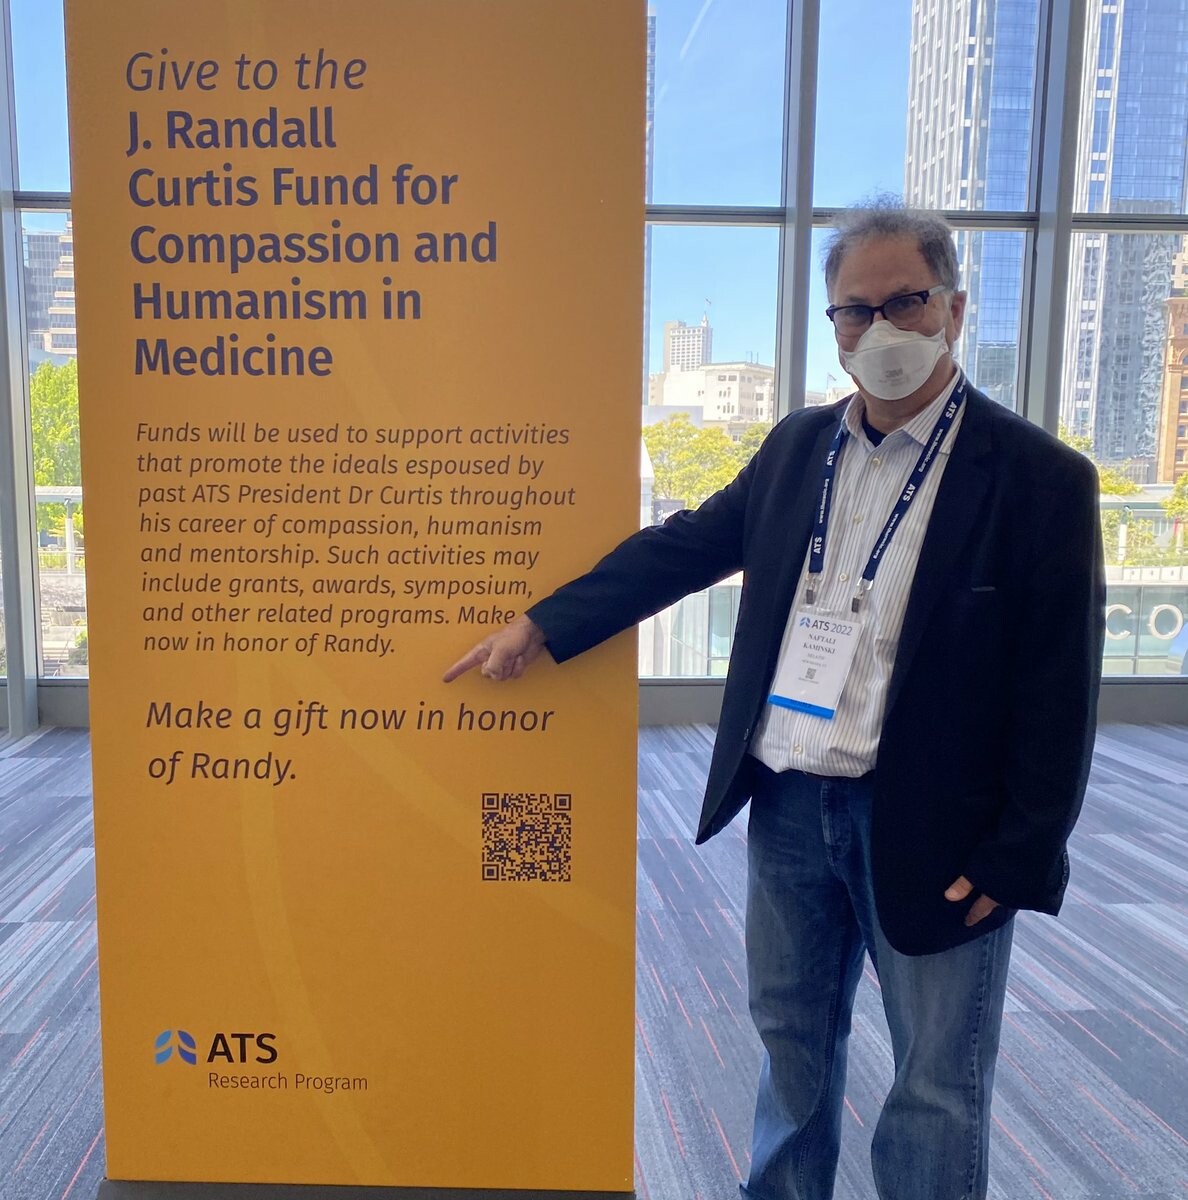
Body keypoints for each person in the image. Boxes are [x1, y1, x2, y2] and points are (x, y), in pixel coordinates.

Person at [444, 203, 1105, 1200]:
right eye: (855, 311)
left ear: (954, 309)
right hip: (790, 803)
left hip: (936, 823)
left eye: (905, 302)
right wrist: (544, 623)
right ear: (832, 325)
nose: (879, 330)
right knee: (791, 1045)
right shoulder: (800, 446)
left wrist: (1022, 850)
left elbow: (1060, 686)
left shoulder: (1038, 478)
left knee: (935, 1081)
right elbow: (684, 548)